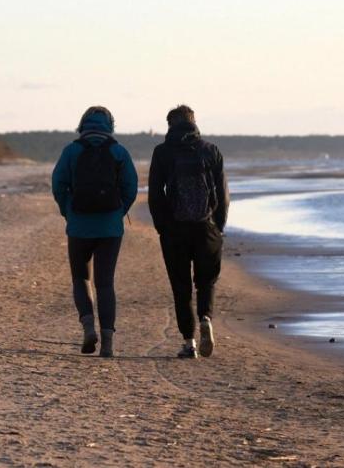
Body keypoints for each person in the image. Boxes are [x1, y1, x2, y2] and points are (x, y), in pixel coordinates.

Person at [52, 106, 138, 358]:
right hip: (110, 228)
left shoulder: (71, 151)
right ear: (110, 126)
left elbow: (58, 185)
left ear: (82, 124)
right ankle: (108, 343)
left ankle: (88, 328)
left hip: (78, 225)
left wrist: (68, 212)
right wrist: (117, 213)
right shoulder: (119, 151)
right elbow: (130, 188)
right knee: (105, 283)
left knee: (80, 278)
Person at [148, 105, 229, 359]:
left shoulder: (162, 153)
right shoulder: (210, 151)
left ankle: (189, 343)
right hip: (207, 228)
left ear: (170, 125)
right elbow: (224, 195)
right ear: (194, 123)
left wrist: (163, 227)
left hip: (175, 230)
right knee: (206, 281)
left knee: (180, 287)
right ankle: (205, 317)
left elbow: (155, 195)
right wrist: (219, 226)